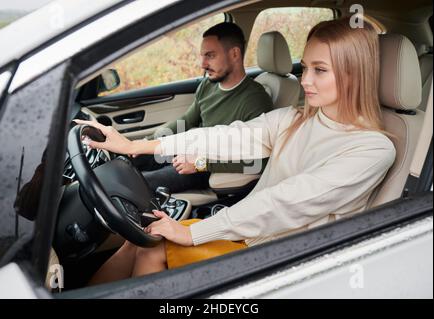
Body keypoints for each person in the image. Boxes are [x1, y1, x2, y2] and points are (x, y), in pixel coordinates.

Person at [75, 17, 396, 285]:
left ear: (354, 73)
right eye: (305, 67)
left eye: (319, 70)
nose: (305, 79)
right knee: (142, 236)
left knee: (153, 248)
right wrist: (134, 146)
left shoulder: (372, 149)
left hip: (286, 257)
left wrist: (195, 233)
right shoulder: (295, 119)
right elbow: (223, 137)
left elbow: (285, 202)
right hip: (249, 234)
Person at [131, 22, 273, 193]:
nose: (202, 64)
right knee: (128, 161)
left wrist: (200, 163)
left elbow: (259, 161)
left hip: (207, 166)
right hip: (190, 147)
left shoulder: (255, 100)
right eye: (202, 56)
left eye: (210, 56)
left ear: (234, 54)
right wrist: (148, 141)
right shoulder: (208, 85)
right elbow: (186, 121)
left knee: (139, 183)